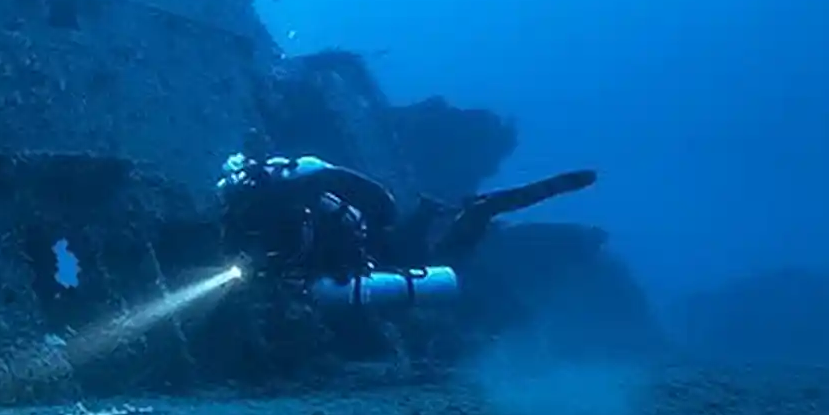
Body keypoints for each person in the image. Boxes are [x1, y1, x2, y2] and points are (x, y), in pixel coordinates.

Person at [217, 131, 595, 286]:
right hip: (373, 229)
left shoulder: (286, 202)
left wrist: (279, 268)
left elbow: (304, 242)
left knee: (443, 260)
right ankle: (441, 213)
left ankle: (481, 212)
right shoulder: (283, 190)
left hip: (369, 247)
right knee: (414, 245)